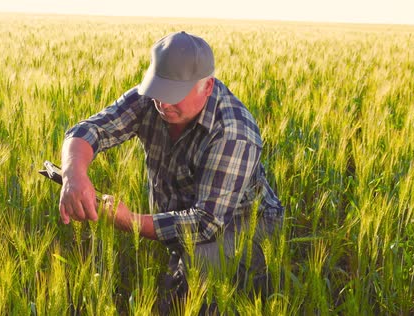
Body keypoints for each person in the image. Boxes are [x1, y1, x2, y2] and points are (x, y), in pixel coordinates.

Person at [58, 31, 284, 312]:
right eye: (158, 90)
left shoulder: (234, 132)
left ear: (208, 86)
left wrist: (132, 221)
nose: (162, 103)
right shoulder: (152, 98)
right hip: (186, 212)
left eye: (173, 95)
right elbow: (90, 129)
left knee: (197, 265)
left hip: (244, 222)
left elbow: (206, 222)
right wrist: (73, 174)